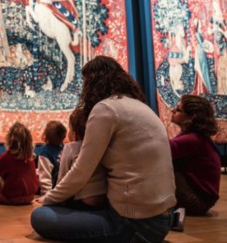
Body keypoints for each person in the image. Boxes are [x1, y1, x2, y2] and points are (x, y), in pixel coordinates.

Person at [30, 56, 177, 242]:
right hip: (164, 218)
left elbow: (82, 171)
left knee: (41, 216)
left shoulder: (105, 109)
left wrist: (49, 198)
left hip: (135, 224)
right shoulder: (141, 107)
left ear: (93, 83)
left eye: (85, 84)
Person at [40, 108, 107, 210]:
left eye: (70, 129)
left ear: (74, 135)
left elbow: (62, 182)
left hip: (82, 203)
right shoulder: (101, 146)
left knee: (39, 214)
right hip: (103, 203)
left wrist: (47, 198)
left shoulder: (70, 148)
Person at [170, 95, 221, 216]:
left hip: (197, 202)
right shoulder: (196, 138)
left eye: (178, 110)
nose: (173, 111)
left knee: (164, 163)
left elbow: (159, 152)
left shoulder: (192, 139)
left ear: (190, 117)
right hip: (201, 201)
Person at [0, 122, 40, 204]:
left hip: (11, 198)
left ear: (9, 139)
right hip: (30, 196)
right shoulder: (30, 157)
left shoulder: (6, 157)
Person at [37, 120, 66, 195]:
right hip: (63, 190)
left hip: (53, 192)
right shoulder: (65, 147)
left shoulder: (45, 151)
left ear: (46, 136)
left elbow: (45, 178)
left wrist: (47, 196)